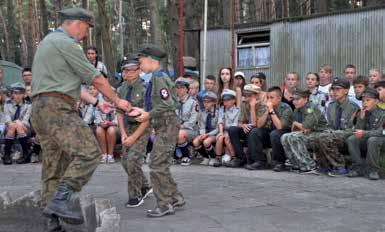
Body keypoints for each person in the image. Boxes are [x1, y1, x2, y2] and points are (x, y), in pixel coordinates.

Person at [30, 7, 131, 228]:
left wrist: (97, 102)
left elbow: (62, 84)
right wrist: (118, 101)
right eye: (86, 28)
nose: (86, 35)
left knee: (53, 166)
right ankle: (60, 200)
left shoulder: (49, 42)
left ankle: (52, 222)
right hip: (56, 108)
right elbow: (95, 78)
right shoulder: (66, 43)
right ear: (75, 23)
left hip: (41, 108)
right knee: (89, 152)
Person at [135, 45, 185, 217]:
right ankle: (175, 197)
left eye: (141, 61)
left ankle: (164, 204)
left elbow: (169, 103)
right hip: (164, 124)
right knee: (160, 165)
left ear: (151, 60)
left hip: (167, 124)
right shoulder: (156, 77)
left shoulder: (159, 78)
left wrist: (148, 114)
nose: (139, 65)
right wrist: (144, 111)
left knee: (156, 166)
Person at [116, 56, 153, 208]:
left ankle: (135, 196)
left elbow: (147, 117)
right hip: (128, 127)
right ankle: (145, 185)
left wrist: (134, 137)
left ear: (139, 71)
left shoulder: (146, 88)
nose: (129, 73)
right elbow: (119, 113)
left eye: (133, 70)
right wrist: (124, 134)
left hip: (142, 127)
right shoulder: (121, 88)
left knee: (132, 161)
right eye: (126, 70)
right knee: (125, 162)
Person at [312, 77, 360, 175]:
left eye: (338, 89)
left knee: (325, 137)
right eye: (333, 89)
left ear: (346, 91)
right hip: (334, 134)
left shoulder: (353, 107)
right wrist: (328, 132)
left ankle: (340, 167)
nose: (334, 92)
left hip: (347, 135)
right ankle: (324, 166)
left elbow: (353, 129)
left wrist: (331, 133)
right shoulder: (331, 106)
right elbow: (329, 125)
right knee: (316, 137)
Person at [280, 88, 327, 172]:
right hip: (307, 133)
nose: (294, 102)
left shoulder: (311, 108)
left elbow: (306, 126)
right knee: (285, 136)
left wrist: (295, 124)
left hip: (320, 133)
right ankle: (296, 163)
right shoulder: (297, 109)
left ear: (305, 99)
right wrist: (296, 126)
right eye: (293, 99)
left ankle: (309, 165)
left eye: (298, 99)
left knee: (295, 137)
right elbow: (296, 129)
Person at [249, 86, 293, 172]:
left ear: (279, 98)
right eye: (267, 97)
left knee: (275, 133)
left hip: (282, 134)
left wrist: (271, 111)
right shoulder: (266, 107)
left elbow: (279, 127)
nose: (269, 100)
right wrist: (266, 111)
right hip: (270, 134)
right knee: (255, 131)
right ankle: (259, 161)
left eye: (271, 98)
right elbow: (259, 125)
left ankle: (279, 162)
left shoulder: (286, 108)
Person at [346, 88, 385, 180]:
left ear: (376, 101)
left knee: (373, 140)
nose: (364, 103)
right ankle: (357, 167)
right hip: (367, 138)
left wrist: (364, 133)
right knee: (352, 139)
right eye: (363, 101)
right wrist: (361, 119)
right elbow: (356, 130)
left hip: (381, 140)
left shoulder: (383, 114)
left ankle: (373, 170)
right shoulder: (363, 112)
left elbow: (381, 132)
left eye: (368, 100)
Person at [227, 84, 261, 168]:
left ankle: (254, 160)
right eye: (245, 95)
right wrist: (243, 125)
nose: (247, 97)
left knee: (252, 130)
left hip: (259, 132)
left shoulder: (262, 105)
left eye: (250, 95)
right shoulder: (245, 103)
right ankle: (240, 158)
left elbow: (255, 124)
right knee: (232, 129)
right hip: (248, 129)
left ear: (257, 95)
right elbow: (239, 122)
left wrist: (252, 107)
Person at [3, 82, 32, 165]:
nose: (18, 95)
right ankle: (7, 155)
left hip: (25, 129)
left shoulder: (28, 105)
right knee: (12, 126)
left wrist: (18, 122)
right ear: (12, 94)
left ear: (24, 94)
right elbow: (7, 119)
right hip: (10, 129)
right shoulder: (7, 104)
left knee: (19, 124)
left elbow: (26, 120)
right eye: (15, 93)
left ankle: (23, 154)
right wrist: (13, 123)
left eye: (20, 93)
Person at [175, 77, 198, 166]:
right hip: (177, 127)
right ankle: (173, 156)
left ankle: (186, 157)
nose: (179, 90)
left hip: (191, 130)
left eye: (182, 88)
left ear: (187, 89)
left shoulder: (193, 103)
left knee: (179, 134)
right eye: (177, 88)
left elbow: (193, 121)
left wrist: (181, 126)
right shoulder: (174, 102)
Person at [192, 91, 219, 166]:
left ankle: (213, 158)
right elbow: (202, 125)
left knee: (206, 142)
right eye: (204, 101)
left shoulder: (218, 112)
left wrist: (208, 134)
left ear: (213, 102)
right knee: (195, 142)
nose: (205, 104)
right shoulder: (203, 112)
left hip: (215, 133)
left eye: (208, 102)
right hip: (206, 133)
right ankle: (206, 157)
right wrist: (202, 134)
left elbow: (218, 128)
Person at [214, 89, 239, 167]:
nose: (225, 102)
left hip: (234, 131)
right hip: (225, 130)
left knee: (227, 138)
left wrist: (226, 132)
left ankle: (234, 158)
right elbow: (220, 121)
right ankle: (218, 158)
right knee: (220, 137)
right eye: (224, 100)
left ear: (234, 100)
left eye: (228, 100)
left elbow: (236, 124)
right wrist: (221, 132)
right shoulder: (222, 109)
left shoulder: (238, 110)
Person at [95, 96, 118, 164]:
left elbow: (118, 121)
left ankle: (110, 155)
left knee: (111, 130)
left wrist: (110, 123)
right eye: (105, 95)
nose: (107, 96)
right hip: (103, 125)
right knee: (99, 130)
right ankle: (104, 155)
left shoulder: (117, 105)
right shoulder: (100, 104)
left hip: (115, 126)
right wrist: (101, 122)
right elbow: (97, 118)